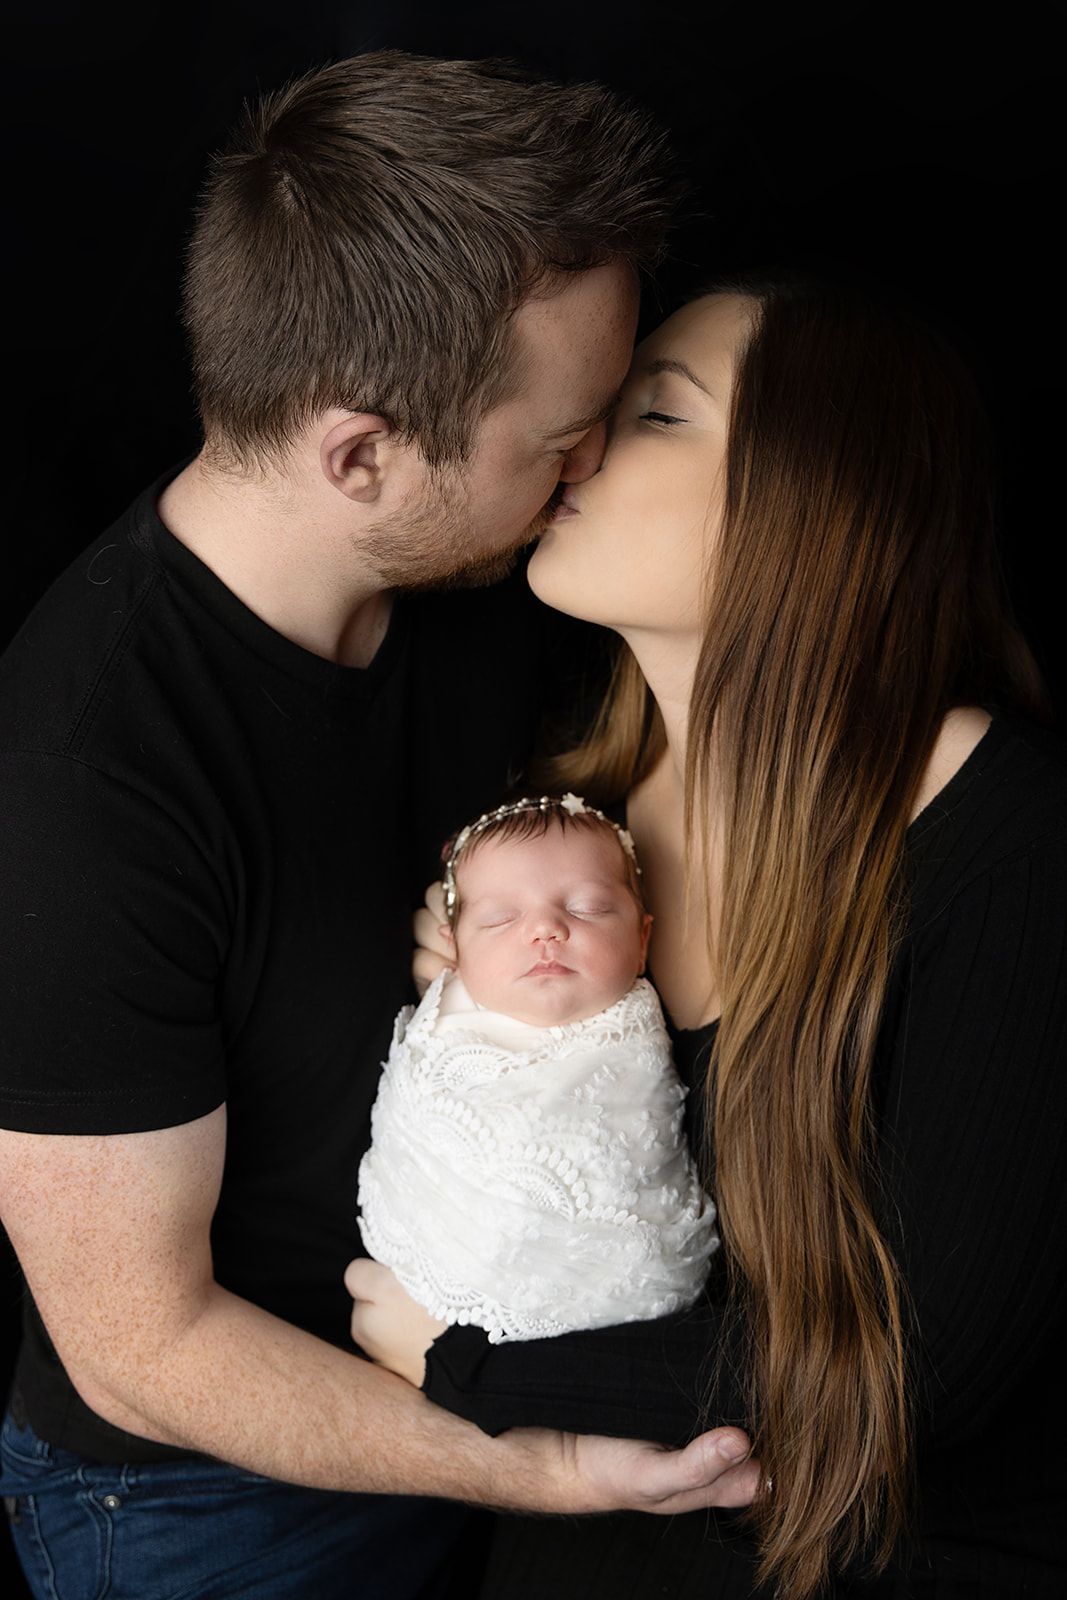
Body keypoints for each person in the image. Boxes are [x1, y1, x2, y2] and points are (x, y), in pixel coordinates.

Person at [0, 53, 764, 1600]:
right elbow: (141, 1345)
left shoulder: (489, 583)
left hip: (484, 1377)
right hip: (208, 1504)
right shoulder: (86, 775)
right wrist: (529, 1458)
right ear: (361, 454)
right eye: (560, 438)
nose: (595, 466)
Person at [349, 275, 1067, 1597]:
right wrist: (469, 1039)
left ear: (815, 498)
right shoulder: (573, 829)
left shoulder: (1009, 840)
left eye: (656, 415)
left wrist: (473, 1366)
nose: (582, 440)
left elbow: (916, 1373)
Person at [356, 794, 717, 1351]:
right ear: (454, 947)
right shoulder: (450, 1013)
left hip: (604, 1337)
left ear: (643, 939)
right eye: (500, 919)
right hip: (411, 1294)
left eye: (589, 907)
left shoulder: (633, 1043)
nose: (545, 929)